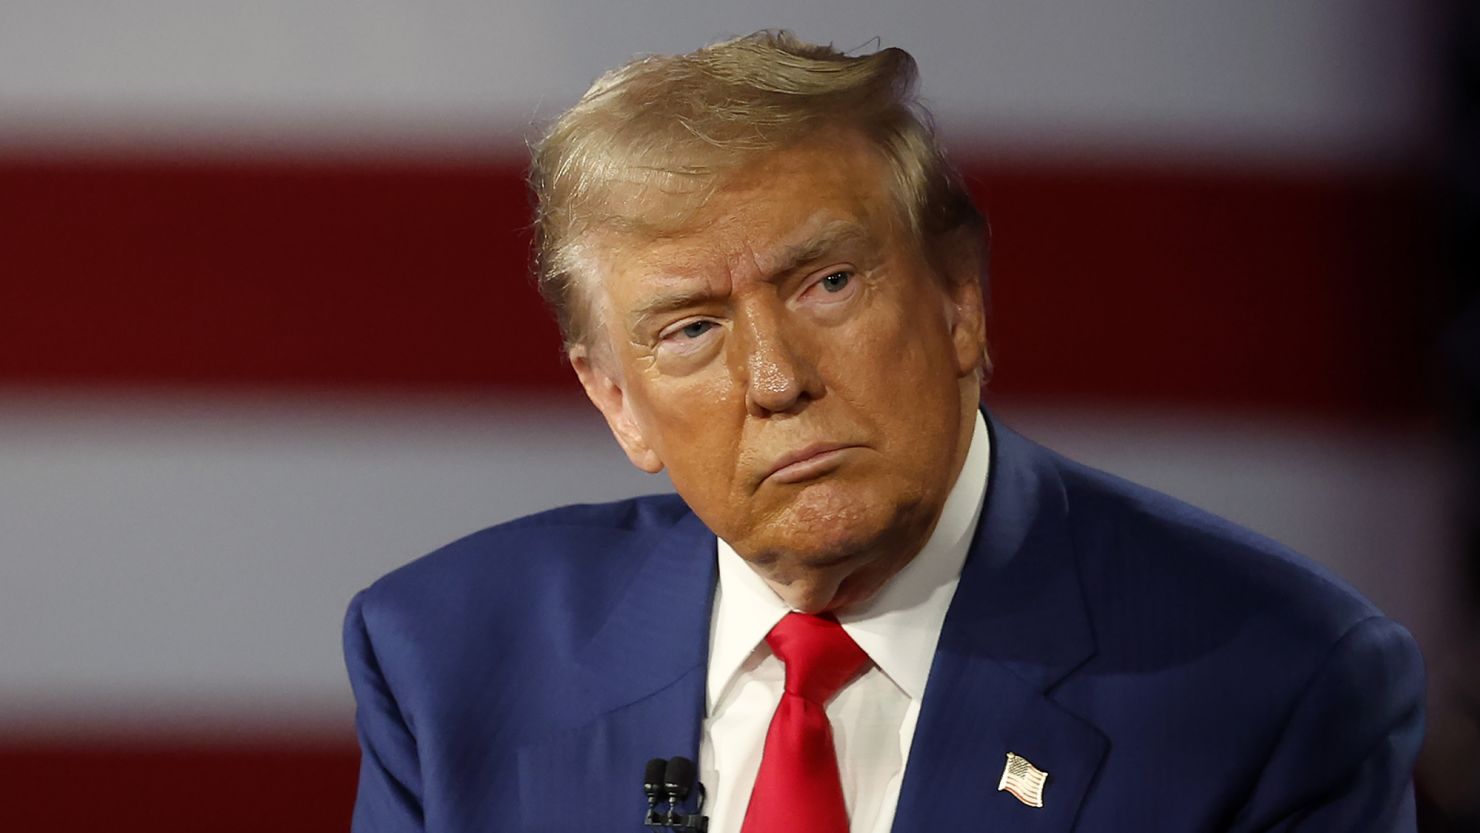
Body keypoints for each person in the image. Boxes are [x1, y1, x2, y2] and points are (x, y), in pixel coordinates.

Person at [343, 31, 1425, 833]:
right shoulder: (449, 660)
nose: (774, 378)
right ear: (616, 399)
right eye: (690, 328)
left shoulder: (1276, 682)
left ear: (960, 299)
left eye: (826, 282)